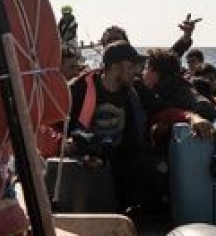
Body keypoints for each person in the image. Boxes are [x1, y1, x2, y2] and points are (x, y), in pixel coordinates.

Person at [66, 41, 156, 211]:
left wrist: (191, 117)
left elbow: (162, 108)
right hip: (81, 157)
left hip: (116, 158)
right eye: (131, 66)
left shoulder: (132, 94)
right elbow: (56, 128)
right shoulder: (78, 90)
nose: (136, 72)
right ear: (115, 67)